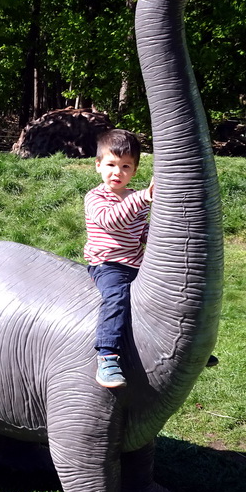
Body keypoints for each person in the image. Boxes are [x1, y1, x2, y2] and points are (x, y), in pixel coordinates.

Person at [84, 129, 153, 388]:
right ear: (98, 165)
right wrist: (142, 197)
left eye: (126, 166)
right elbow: (111, 222)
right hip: (108, 265)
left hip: (138, 264)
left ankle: (184, 347)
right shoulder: (96, 198)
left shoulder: (136, 198)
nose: (118, 172)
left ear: (134, 170)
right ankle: (107, 356)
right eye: (111, 164)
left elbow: (141, 230)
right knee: (116, 298)